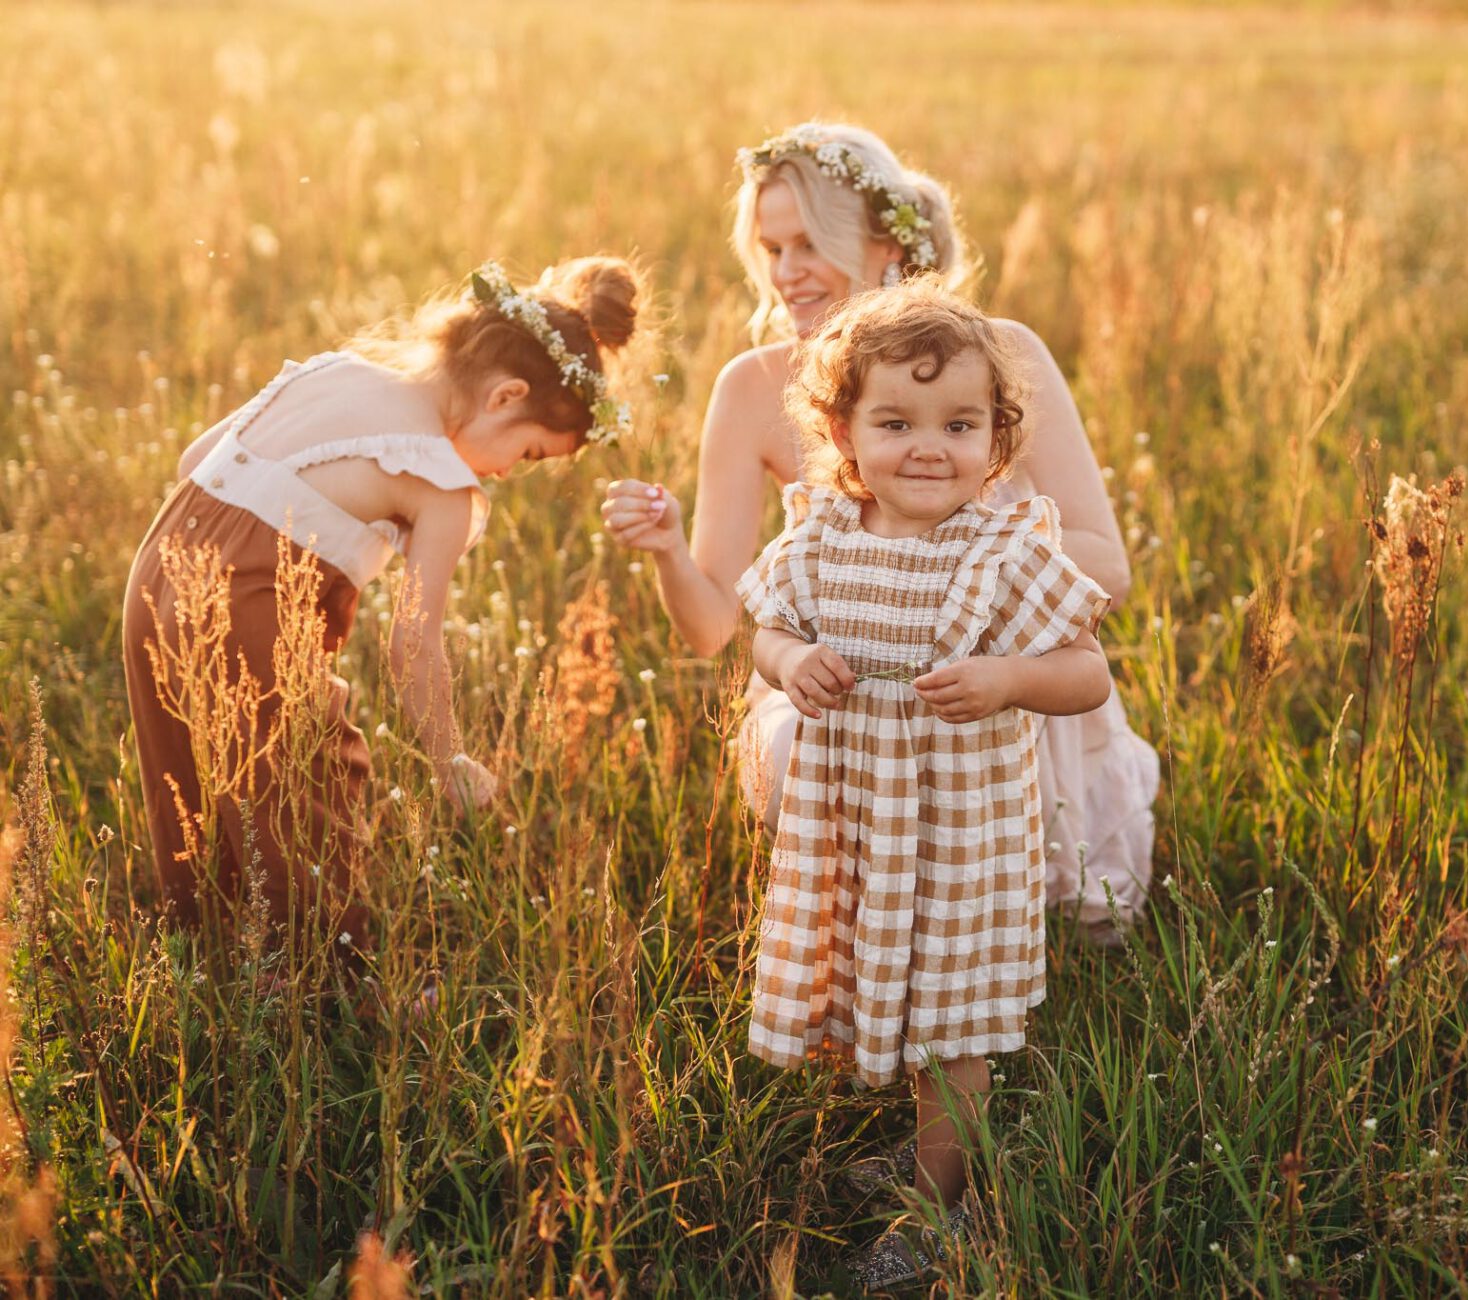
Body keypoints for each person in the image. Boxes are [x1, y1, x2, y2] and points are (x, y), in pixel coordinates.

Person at [601, 122, 1157, 941]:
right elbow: (717, 624)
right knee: (818, 775)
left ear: (885, 243)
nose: (786, 272)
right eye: (772, 249)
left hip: (995, 679)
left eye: (807, 244)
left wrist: (959, 575)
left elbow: (1109, 563)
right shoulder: (752, 388)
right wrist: (669, 552)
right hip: (848, 695)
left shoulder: (1004, 355)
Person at [737, 279, 1110, 1286]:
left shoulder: (1003, 551)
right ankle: (926, 1149)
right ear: (845, 434)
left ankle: (942, 1205)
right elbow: (766, 625)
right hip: (857, 826)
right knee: (883, 992)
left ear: (997, 438)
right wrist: (786, 663)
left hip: (959, 839)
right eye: (895, 421)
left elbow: (1088, 673)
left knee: (950, 1020)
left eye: (960, 423)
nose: (928, 446)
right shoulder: (819, 537)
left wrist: (1008, 679)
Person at [123, 257, 642, 950]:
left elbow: (194, 460)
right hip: (246, 606)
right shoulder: (440, 484)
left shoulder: (333, 371)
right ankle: (326, 981)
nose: (506, 473)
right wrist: (449, 759)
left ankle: (207, 947)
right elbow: (413, 643)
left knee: (188, 769)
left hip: (158, 571)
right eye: (527, 455)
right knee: (315, 775)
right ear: (505, 396)